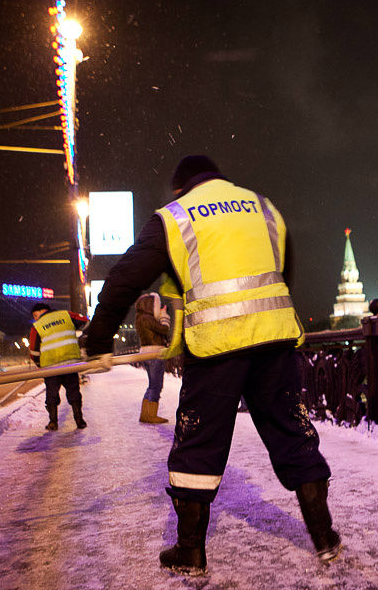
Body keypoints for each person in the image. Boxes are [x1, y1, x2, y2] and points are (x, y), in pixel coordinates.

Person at [83, 155, 340, 575]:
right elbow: (281, 276)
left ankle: (190, 551)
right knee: (293, 434)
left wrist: (98, 340)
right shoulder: (263, 206)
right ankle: (325, 537)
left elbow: (125, 278)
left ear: (180, 188)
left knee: (198, 443)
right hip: (274, 340)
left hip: (217, 348)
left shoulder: (175, 217)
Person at [28, 302, 90, 431]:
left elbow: (33, 351)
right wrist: (82, 338)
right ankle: (79, 420)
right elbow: (86, 321)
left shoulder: (37, 326)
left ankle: (53, 422)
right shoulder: (66, 315)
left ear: (40, 312)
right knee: (74, 391)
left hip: (50, 367)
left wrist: (39, 364)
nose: (35, 318)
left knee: (51, 394)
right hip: (69, 362)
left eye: (35, 315)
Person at [135, 292, 170, 424]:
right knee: (156, 386)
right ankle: (151, 415)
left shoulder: (141, 318)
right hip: (155, 353)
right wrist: (164, 317)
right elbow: (164, 330)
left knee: (151, 385)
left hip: (146, 353)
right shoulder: (147, 319)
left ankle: (145, 413)